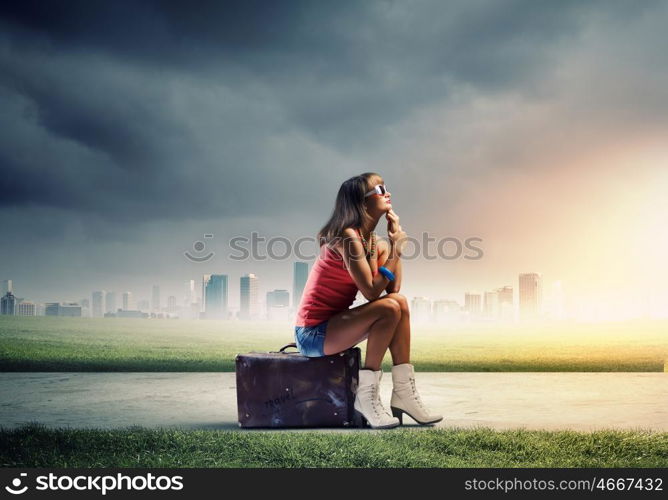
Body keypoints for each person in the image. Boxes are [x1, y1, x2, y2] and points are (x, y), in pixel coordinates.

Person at [294, 172, 443, 429]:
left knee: (400, 303)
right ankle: (366, 396)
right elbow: (372, 293)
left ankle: (404, 394)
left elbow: (393, 287)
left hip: (337, 326)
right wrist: (397, 248)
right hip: (314, 333)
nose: (387, 193)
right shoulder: (346, 237)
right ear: (362, 203)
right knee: (388, 308)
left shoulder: (374, 242)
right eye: (379, 189)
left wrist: (393, 242)